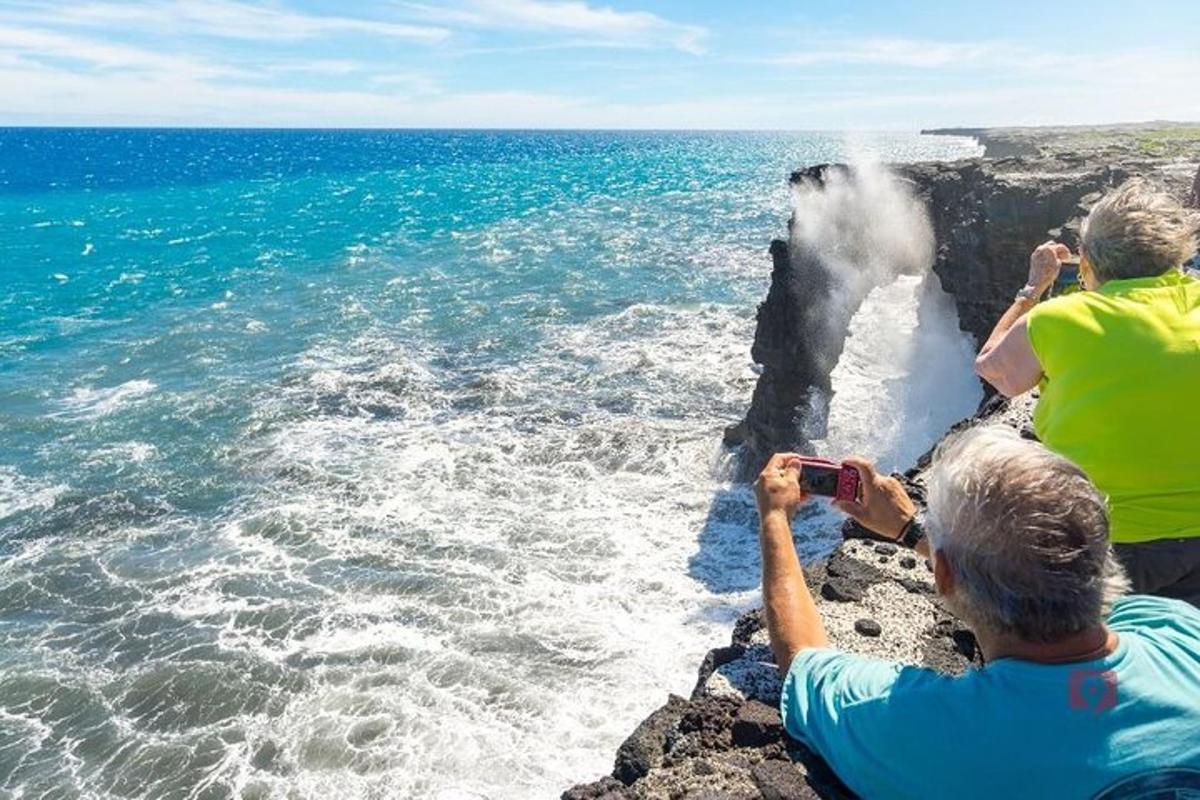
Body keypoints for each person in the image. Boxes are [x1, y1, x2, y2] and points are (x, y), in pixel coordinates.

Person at [754, 428, 1200, 800]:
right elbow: (1052, 576)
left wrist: (775, 518)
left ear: (942, 576)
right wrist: (912, 530)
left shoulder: (942, 734)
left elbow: (804, 659)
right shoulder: (1177, 630)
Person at [973, 179, 1200, 605]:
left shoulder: (1059, 319)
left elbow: (993, 368)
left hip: (1104, 543)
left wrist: (1033, 289)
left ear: (1089, 260)